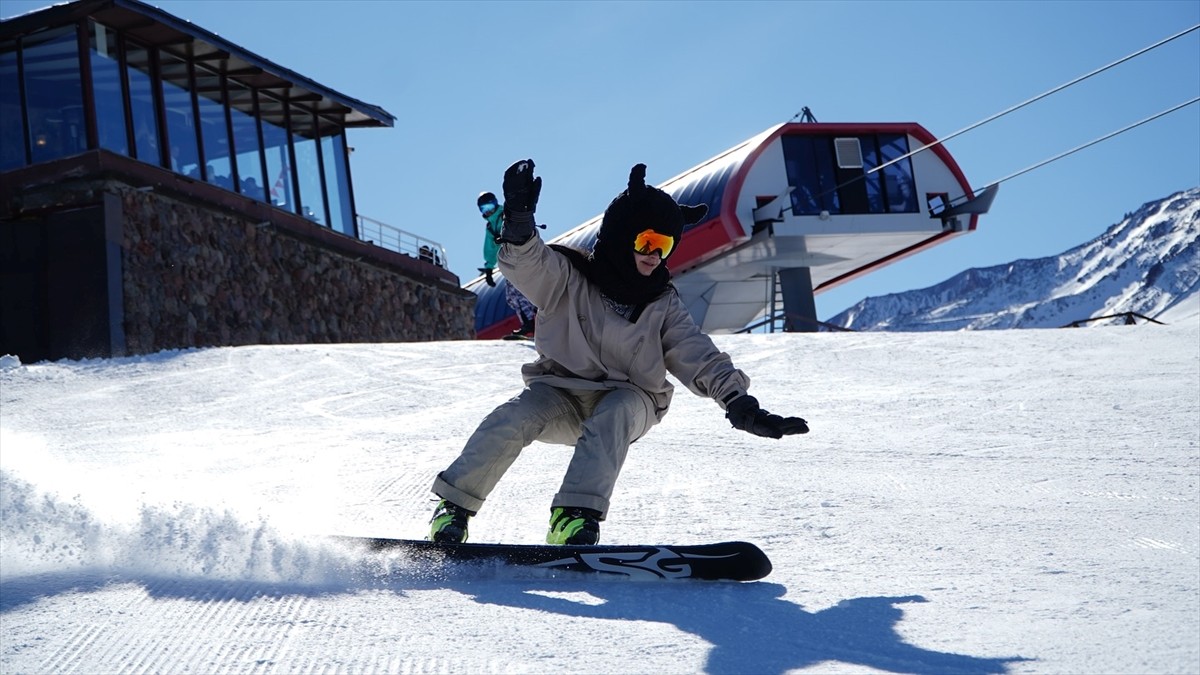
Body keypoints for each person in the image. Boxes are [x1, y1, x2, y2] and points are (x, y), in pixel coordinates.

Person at [429, 159, 809, 546]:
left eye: (664, 246)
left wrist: (739, 403)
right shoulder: (568, 277)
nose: (653, 255)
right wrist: (520, 221)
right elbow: (527, 264)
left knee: (615, 412)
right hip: (560, 391)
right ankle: (453, 507)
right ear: (622, 235)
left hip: (632, 397)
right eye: (646, 241)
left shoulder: (661, 302)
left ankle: (574, 518)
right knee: (513, 416)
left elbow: (698, 353)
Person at [476, 191, 537, 338]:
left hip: (521, 255)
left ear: (495, 203)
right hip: (509, 261)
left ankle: (537, 318)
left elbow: (517, 230)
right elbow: (490, 249)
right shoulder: (490, 226)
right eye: (484, 209)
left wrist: (505, 238)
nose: (488, 211)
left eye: (489, 206)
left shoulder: (506, 214)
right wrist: (489, 269)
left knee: (522, 291)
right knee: (512, 296)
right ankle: (528, 323)